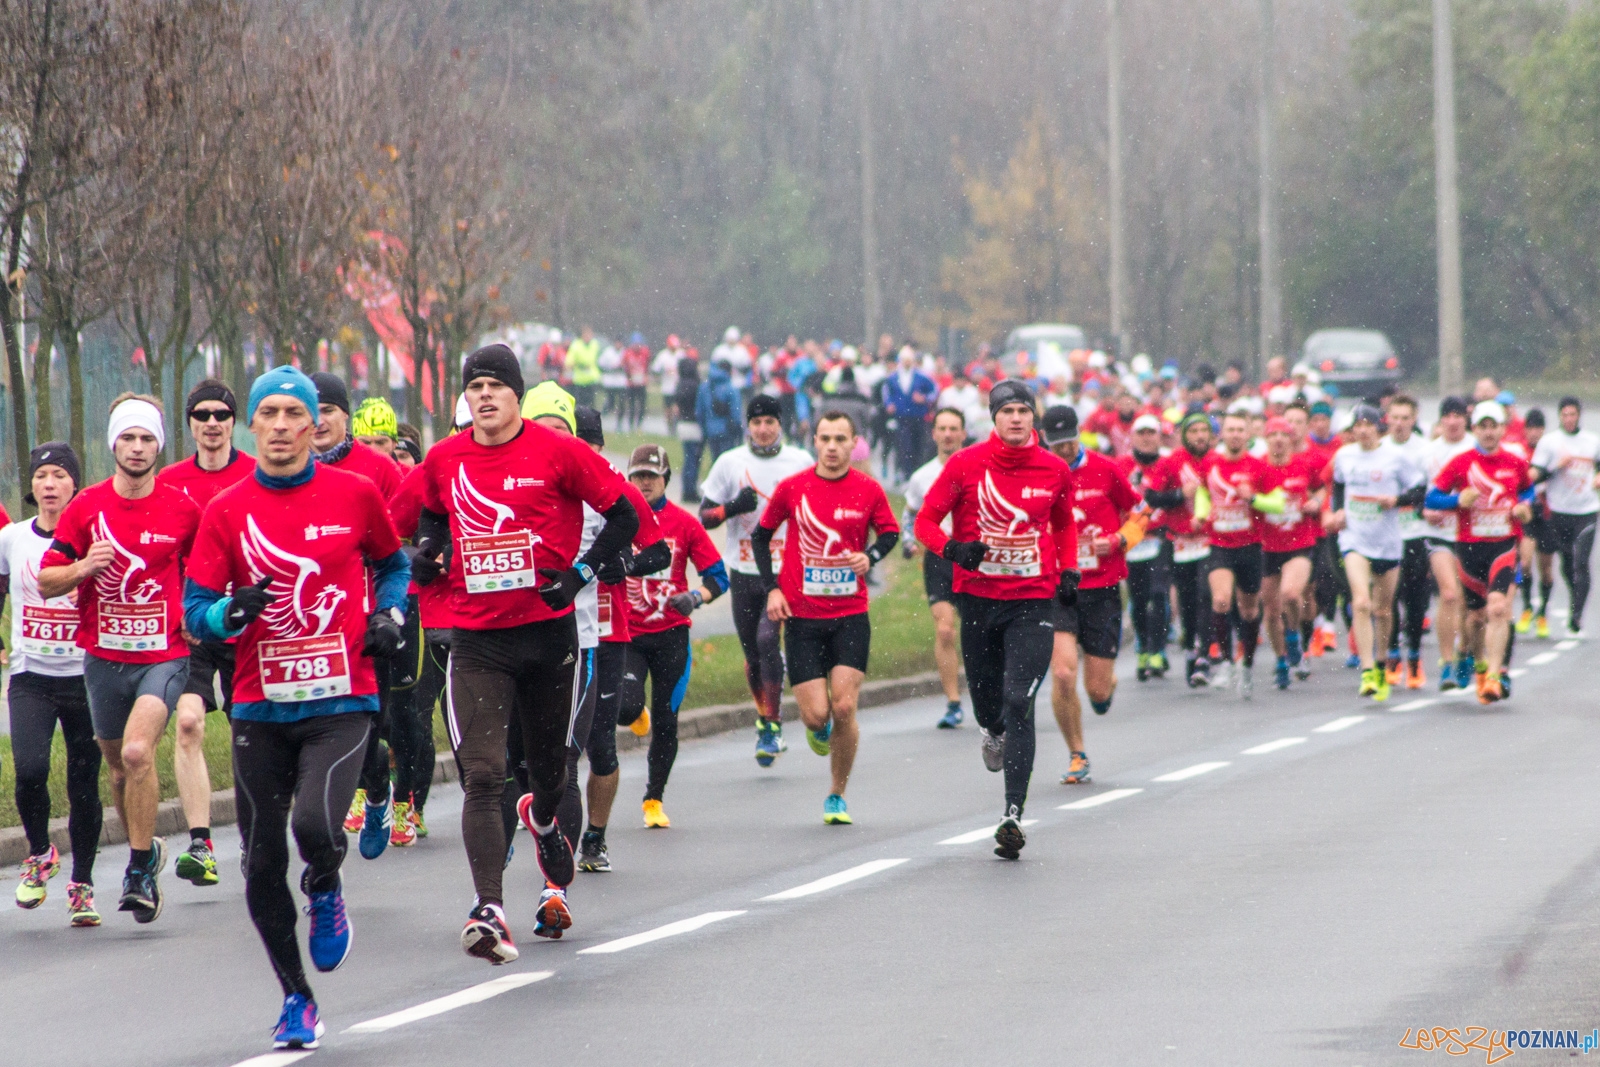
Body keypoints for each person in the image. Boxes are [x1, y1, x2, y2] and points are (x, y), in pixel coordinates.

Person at [183, 365, 408, 1049]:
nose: (279, 426)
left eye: (293, 413)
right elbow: (194, 608)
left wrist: (392, 612)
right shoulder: (226, 510)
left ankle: (328, 881)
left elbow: (392, 564)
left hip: (342, 694)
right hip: (259, 702)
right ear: (255, 424)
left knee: (313, 819)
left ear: (315, 424)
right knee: (257, 862)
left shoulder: (357, 493)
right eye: (268, 414)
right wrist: (228, 610)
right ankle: (295, 996)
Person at [412, 344, 638, 963]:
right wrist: (426, 555)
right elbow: (426, 518)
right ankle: (488, 908)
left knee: (549, 773)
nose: (483, 395)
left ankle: (542, 821)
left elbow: (623, 517)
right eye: (474, 386)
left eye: (494, 385)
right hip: (477, 639)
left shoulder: (559, 453)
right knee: (481, 774)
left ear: (516, 394)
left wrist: (579, 575)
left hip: (548, 639)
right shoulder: (444, 458)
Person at [39, 395, 200, 925]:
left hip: (165, 655)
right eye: (128, 438)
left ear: (159, 446)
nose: (137, 448)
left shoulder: (182, 508)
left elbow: (209, 569)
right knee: (116, 768)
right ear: (113, 444)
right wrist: (85, 566)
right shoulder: (86, 506)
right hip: (103, 657)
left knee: (136, 753)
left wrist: (199, 614)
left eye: (146, 438)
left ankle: (137, 870)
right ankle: (147, 847)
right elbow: (46, 578)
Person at [914, 380, 1077, 859]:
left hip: (1033, 600)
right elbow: (924, 522)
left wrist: (1068, 568)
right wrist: (954, 550)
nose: (1017, 418)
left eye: (1024, 410)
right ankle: (991, 730)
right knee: (990, 706)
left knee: (1018, 700)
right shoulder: (965, 465)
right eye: (1007, 410)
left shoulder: (1054, 469)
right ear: (993, 418)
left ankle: (1012, 814)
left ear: (1034, 418)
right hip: (980, 601)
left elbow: (1063, 523)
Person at [754, 411, 898, 825]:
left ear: (854, 443)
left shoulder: (868, 490)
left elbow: (889, 533)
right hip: (803, 617)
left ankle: (837, 795)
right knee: (817, 714)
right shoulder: (793, 488)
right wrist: (773, 589)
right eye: (825, 438)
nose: (832, 447)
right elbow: (762, 537)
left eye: (840, 438)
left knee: (846, 707)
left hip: (850, 614)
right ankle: (818, 729)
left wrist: (867, 556)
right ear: (814, 441)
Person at [157, 379, 258, 885]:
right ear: (190, 423)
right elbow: (162, 557)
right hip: (192, 631)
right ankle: (201, 844)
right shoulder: (171, 482)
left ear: (234, 422)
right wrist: (181, 612)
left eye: (222, 414)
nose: (213, 423)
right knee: (190, 724)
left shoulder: (257, 476)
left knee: (249, 739)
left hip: (248, 634)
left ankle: (254, 840)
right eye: (202, 415)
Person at [3, 443, 103, 925]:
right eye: (41, 476)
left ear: (75, 486)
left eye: (59, 475)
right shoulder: (13, 538)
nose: (48, 485)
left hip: (85, 677)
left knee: (84, 784)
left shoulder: (93, 539)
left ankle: (82, 884)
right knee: (29, 769)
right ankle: (40, 851)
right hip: (30, 677)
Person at [311, 374, 405, 857]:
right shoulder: (288, 469)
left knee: (368, 728)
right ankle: (318, 842)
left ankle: (377, 789)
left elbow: (405, 538)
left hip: (367, 626)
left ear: (347, 416)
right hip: (306, 626)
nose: (320, 418)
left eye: (330, 409)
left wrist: (391, 609)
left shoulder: (377, 468)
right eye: (313, 408)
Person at [698, 394, 814, 762]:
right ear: (747, 426)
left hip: (785, 571)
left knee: (767, 641)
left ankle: (774, 724)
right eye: (756, 422)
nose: (763, 430)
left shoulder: (799, 461)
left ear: (781, 424)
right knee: (753, 651)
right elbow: (706, 516)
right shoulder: (730, 462)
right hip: (743, 569)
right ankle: (765, 717)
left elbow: (816, 508)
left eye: (770, 422)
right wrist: (734, 507)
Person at [616, 444, 726, 827]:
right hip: (628, 635)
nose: (644, 483)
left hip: (672, 636)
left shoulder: (684, 523)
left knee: (668, 720)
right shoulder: (617, 518)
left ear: (665, 479)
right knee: (625, 708)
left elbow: (718, 577)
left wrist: (695, 596)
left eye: (652, 476)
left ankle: (653, 799)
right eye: (638, 476)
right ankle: (635, 713)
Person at [1040, 406, 1142, 786]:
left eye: (1069, 442)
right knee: (1064, 673)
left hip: (1102, 588)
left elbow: (1141, 513)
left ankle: (1105, 688)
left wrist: (1117, 540)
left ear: (1079, 435)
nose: (1064, 450)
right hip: (1057, 589)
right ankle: (1077, 753)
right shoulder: (1038, 474)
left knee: (1096, 691)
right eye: (1057, 444)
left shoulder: (1106, 469)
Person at [1427, 400, 1535, 704]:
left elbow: (1527, 490)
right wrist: (1457, 500)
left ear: (1503, 428)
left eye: (1494, 426)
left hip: (1503, 545)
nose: (1488, 432)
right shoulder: (1461, 462)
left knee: (1498, 608)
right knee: (1474, 618)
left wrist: (1524, 507)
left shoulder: (1515, 461)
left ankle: (1495, 675)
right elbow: (1433, 498)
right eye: (1483, 426)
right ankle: (1476, 660)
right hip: (1470, 547)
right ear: (1474, 429)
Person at [1325, 405, 1427, 701]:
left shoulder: (1395, 458)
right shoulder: (1344, 456)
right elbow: (1339, 486)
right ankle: (1368, 669)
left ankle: (1382, 662)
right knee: (1361, 602)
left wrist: (1397, 500)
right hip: (1354, 539)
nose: (1363, 430)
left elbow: (1420, 489)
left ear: (1379, 428)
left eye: (1369, 424)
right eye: (1358, 425)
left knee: (1383, 610)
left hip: (1388, 542)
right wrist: (1339, 512)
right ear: (1352, 430)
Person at [1192, 411, 1286, 698]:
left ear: (1248, 435)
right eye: (1230, 429)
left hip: (1250, 546)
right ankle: (1225, 662)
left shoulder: (1259, 467)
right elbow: (1203, 493)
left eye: (1240, 430)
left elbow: (1278, 505)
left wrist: (1253, 498)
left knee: (1249, 610)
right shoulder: (1211, 463)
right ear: (1222, 435)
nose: (1234, 434)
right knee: (1220, 601)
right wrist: (1200, 514)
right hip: (1220, 544)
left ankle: (1246, 664)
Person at [902, 407, 971, 728]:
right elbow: (911, 514)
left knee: (979, 631)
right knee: (945, 629)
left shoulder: (977, 467)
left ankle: (992, 692)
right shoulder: (922, 476)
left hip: (974, 559)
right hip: (940, 557)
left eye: (953, 428)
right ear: (934, 434)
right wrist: (908, 542)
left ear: (963, 433)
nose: (947, 434)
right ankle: (954, 702)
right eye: (942, 428)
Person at [1143, 413, 1216, 685]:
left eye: (1203, 431)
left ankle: (1204, 656)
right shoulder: (1172, 461)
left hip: (1209, 538)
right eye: (1193, 431)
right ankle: (1190, 651)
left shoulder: (1215, 461)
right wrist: (1178, 495)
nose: (1199, 436)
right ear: (1185, 435)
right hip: (1179, 540)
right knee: (1187, 599)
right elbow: (1151, 497)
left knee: (1205, 595)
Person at [1258, 416, 1325, 689]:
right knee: (1271, 610)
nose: (1278, 440)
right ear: (1266, 439)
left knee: (1291, 594)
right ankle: (1281, 659)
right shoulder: (1258, 468)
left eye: (1283, 435)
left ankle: (1294, 635)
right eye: (1272, 435)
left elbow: (1321, 488)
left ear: (1291, 439)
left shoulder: (1303, 464)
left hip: (1300, 541)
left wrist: (1316, 502)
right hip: (1266, 545)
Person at [1530, 397, 1599, 639]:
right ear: (1560, 416)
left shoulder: (1592, 442)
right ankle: (1574, 598)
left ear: (1579, 415)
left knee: (1581, 563)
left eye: (1573, 414)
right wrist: (1555, 467)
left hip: (1587, 511)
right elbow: (1533, 476)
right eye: (1565, 415)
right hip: (1559, 512)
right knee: (1567, 564)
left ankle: (1576, 615)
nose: (1569, 419)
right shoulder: (1550, 443)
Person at [1422, 397, 1476, 689]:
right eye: (1448, 416)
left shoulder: (1474, 448)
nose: (1453, 421)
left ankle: (1464, 651)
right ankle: (1446, 662)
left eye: (1458, 415)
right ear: (1441, 420)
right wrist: (1424, 510)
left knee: (1468, 603)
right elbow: (1418, 490)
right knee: (1450, 595)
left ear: (1465, 420)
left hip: (1472, 534)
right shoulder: (1428, 451)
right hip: (1439, 533)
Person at [1383, 395, 1434, 686]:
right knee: (1388, 599)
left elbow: (1426, 489)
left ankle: (1413, 656)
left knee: (1416, 602)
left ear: (1414, 420)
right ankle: (1392, 654)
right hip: (1387, 537)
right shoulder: (1380, 448)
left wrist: (1401, 499)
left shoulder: (1424, 451)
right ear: (1387, 418)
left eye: (1405, 418)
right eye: (1395, 417)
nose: (1400, 423)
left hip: (1416, 534)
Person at [1119, 414, 1171, 681]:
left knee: (1159, 593)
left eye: (1152, 432)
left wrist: (1159, 498)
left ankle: (1158, 650)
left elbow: (1180, 497)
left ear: (1159, 436)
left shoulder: (1168, 464)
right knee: (1139, 599)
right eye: (1142, 433)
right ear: (1133, 437)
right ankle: (1142, 646)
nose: (1147, 438)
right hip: (1133, 538)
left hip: (1161, 537)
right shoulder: (1123, 465)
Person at [883, 347, 938, 483]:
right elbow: (886, 393)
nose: (907, 363)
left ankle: (916, 472)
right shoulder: (893, 377)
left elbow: (935, 391)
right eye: (904, 360)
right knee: (903, 445)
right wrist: (889, 404)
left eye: (909, 360)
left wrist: (924, 399)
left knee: (918, 445)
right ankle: (905, 473)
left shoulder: (921, 377)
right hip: (901, 417)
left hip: (918, 416)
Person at [564, 326, 601, 409]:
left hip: (592, 379)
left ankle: (591, 420)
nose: (588, 337)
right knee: (580, 405)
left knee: (592, 405)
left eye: (590, 334)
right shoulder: (576, 345)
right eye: (586, 335)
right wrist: (576, 364)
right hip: (580, 380)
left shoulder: (595, 344)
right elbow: (569, 361)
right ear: (582, 335)